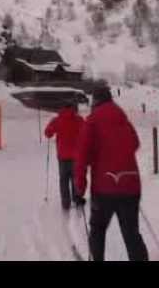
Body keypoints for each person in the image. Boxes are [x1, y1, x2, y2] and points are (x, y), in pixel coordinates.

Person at [74, 86, 149, 261]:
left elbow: (81, 156)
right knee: (131, 233)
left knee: (98, 228)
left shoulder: (92, 121)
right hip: (130, 186)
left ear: (96, 101)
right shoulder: (122, 117)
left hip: (104, 188)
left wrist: (79, 188)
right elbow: (135, 143)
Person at [44, 100, 84, 211]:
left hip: (62, 156)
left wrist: (51, 131)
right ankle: (77, 199)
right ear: (73, 108)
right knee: (76, 178)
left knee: (63, 180)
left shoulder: (57, 120)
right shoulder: (79, 120)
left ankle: (65, 203)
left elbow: (47, 133)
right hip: (76, 156)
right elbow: (86, 131)